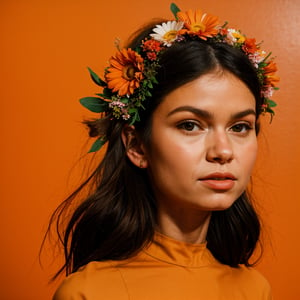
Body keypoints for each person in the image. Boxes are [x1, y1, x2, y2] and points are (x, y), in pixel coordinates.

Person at [51, 3, 279, 299]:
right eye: (189, 125)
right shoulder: (88, 292)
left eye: (239, 127)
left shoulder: (254, 290)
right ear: (136, 145)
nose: (223, 151)